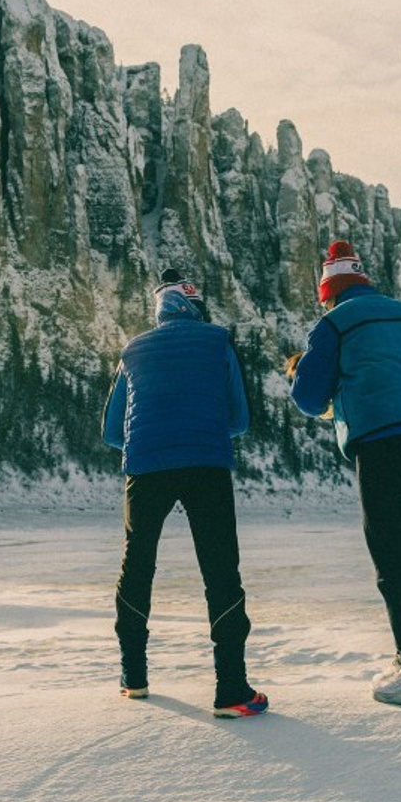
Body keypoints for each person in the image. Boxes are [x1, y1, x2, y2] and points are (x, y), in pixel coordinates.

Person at [289, 240, 401, 708]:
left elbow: (307, 397)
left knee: (389, 558)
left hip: (383, 438)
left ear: (329, 291)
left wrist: (306, 375)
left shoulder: (334, 323)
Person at [102, 268, 267, 718]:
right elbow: (240, 419)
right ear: (194, 303)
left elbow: (112, 430)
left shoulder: (132, 349)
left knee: (137, 564)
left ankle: (133, 676)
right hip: (205, 462)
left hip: (145, 465)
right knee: (220, 569)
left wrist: (151, 437)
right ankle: (231, 689)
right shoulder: (218, 341)